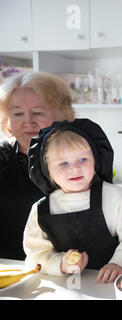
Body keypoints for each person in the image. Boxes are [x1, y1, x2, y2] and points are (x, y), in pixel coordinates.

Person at [24, 118, 122, 283]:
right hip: (67, 289)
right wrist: (60, 264)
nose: (75, 168)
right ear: (47, 170)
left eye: (82, 159)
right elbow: (35, 255)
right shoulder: (41, 211)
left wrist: (119, 263)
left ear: (95, 160)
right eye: (63, 163)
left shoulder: (115, 196)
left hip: (116, 284)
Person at [0, 72, 75, 260]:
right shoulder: (2, 158)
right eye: (17, 114)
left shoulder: (83, 156)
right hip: (12, 273)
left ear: (61, 115)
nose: (28, 122)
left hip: (73, 272)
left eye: (38, 113)